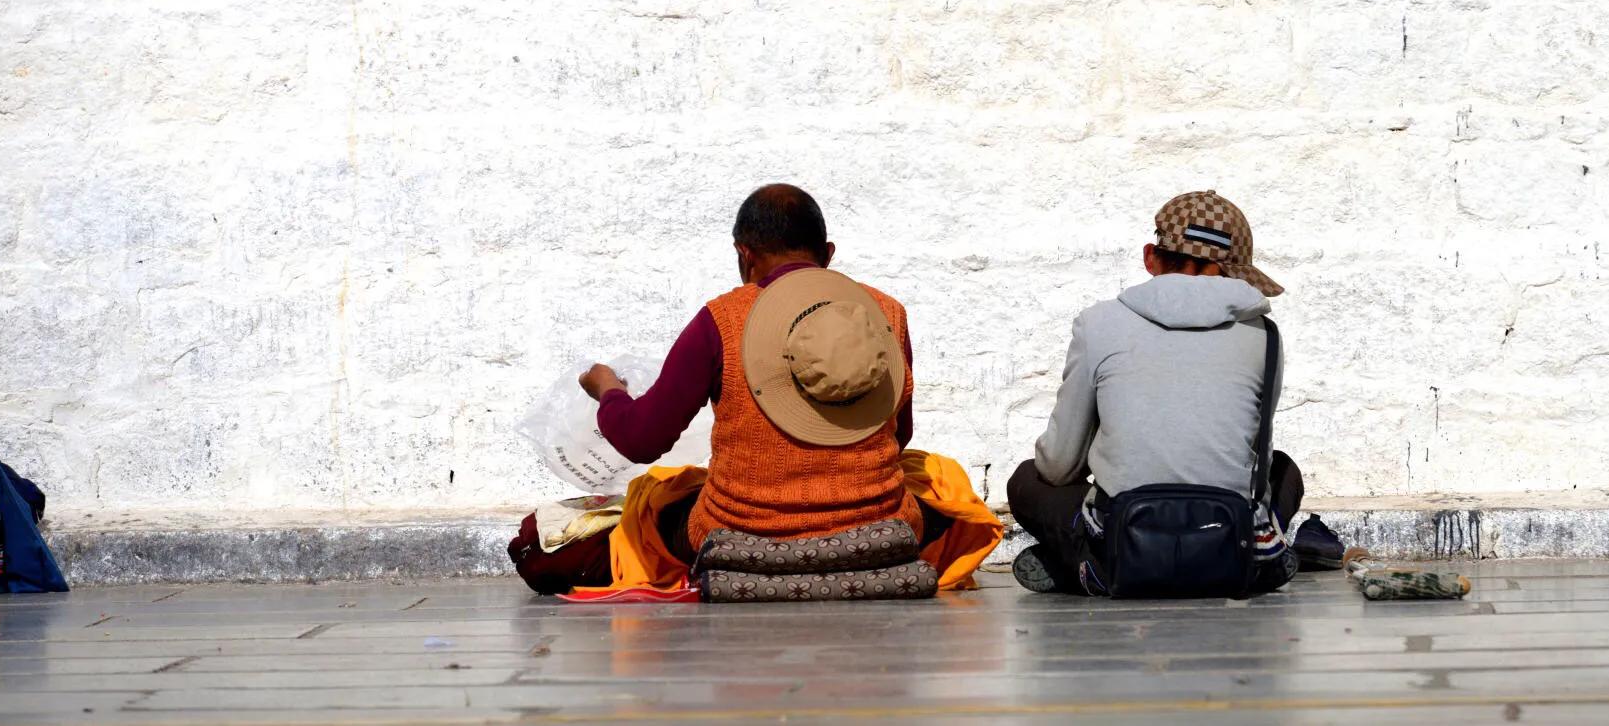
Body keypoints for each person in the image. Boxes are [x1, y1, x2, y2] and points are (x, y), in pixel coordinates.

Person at [511, 184, 999, 596]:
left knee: (625, 510)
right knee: (938, 481)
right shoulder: (886, 312)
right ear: (828, 255)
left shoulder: (720, 320)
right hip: (876, 530)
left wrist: (608, 390)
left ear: (744, 255)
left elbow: (641, 440)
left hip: (738, 533)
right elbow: (900, 435)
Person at [1007, 190, 1304, 596]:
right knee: (1285, 471)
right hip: (1225, 535)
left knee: (1027, 479)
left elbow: (1059, 466)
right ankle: (1256, 560)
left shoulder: (1099, 323)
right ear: (1235, 271)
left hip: (1124, 536)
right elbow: (1258, 463)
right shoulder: (1264, 335)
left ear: (1151, 256)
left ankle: (1085, 566)